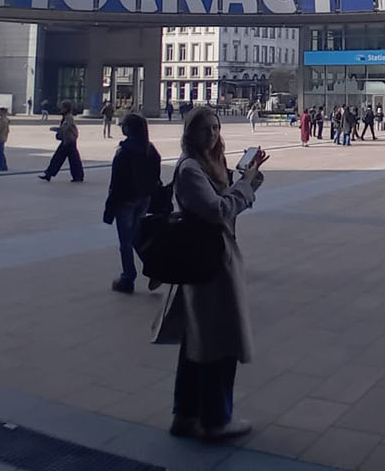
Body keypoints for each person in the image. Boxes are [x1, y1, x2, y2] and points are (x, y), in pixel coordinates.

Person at [160, 108, 267, 440]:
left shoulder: (208, 165)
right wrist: (245, 187)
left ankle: (187, 413)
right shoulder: (190, 169)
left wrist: (248, 180)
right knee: (218, 340)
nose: (212, 135)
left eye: (216, 128)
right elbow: (218, 211)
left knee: (198, 340)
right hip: (209, 264)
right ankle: (216, 418)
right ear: (191, 133)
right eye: (205, 129)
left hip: (210, 260)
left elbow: (225, 201)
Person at [103, 112, 162, 295]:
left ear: (129, 129)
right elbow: (156, 176)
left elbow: (116, 184)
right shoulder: (150, 149)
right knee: (136, 236)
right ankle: (154, 269)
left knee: (126, 241)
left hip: (126, 201)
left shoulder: (124, 152)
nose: (121, 127)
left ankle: (128, 277)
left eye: (124, 124)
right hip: (144, 199)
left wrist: (109, 208)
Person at [39, 101, 84, 182]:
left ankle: (49, 173)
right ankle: (77, 176)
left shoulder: (68, 117)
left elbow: (67, 127)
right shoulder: (66, 116)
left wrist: (57, 129)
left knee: (61, 158)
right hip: (68, 140)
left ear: (66, 108)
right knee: (71, 159)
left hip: (69, 141)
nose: (60, 109)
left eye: (62, 107)